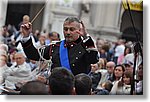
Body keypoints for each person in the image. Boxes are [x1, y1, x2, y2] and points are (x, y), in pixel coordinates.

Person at [20, 17, 99, 75]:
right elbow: (33, 55)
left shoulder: (85, 46)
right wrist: (26, 36)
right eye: (65, 29)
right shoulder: (55, 46)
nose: (68, 32)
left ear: (79, 30)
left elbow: (93, 59)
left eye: (72, 29)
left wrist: (85, 37)